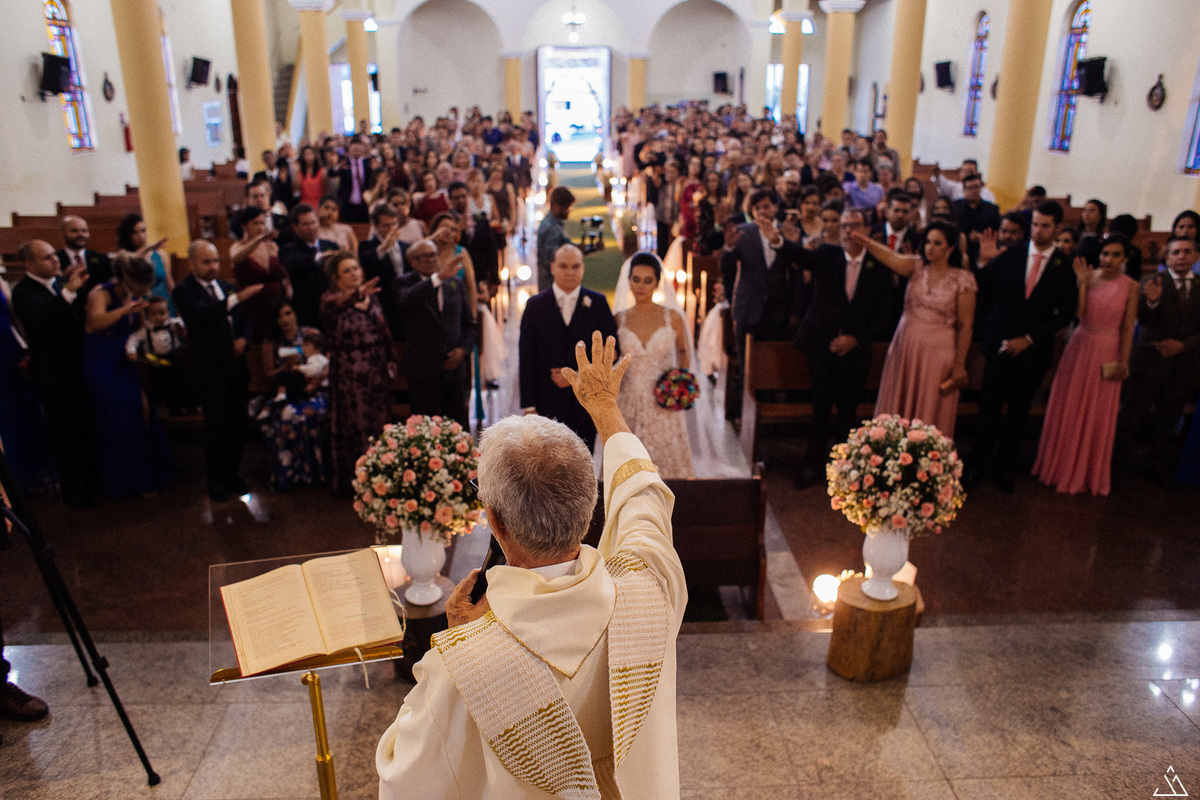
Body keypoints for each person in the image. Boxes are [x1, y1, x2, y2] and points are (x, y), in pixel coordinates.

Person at [377, 331, 685, 800]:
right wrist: (603, 406)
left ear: (494, 522)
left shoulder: (466, 663)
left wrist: (458, 638)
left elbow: (403, 779)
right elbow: (643, 495)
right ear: (589, 506)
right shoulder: (650, 584)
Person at [966, 201, 1078, 494]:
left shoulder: (1063, 267)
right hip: (999, 345)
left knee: (1018, 413)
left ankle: (1005, 467)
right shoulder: (1010, 255)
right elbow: (984, 290)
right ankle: (977, 464)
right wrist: (983, 263)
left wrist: (1028, 339)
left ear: (1057, 228)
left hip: (1032, 351)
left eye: (1045, 226)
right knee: (988, 409)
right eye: (1035, 224)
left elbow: (1065, 314)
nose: (1038, 231)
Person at [792, 208, 895, 488]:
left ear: (866, 230)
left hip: (856, 351)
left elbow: (884, 315)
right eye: (845, 225)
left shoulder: (878, 265)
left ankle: (846, 468)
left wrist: (854, 338)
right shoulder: (827, 255)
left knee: (848, 411)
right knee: (820, 408)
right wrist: (779, 240)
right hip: (822, 346)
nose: (849, 231)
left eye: (855, 225)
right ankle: (812, 464)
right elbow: (799, 256)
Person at [1033, 235, 1138, 495]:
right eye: (1105, 254)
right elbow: (1076, 314)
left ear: (1125, 258)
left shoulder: (1131, 286)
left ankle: (1086, 473)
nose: (1109, 259)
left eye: (1115, 255)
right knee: (1069, 406)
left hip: (1108, 349)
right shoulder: (1088, 277)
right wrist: (1081, 284)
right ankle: (1058, 468)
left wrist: (1123, 363)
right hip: (1080, 345)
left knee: (1098, 412)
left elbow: (1127, 328)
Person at [856, 220, 977, 438]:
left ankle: (924, 461)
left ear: (950, 248)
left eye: (937, 243)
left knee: (929, 404)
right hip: (906, 345)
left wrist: (960, 364)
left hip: (938, 351)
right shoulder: (916, 266)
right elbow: (891, 257)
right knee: (898, 401)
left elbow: (966, 325)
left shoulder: (963, 279)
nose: (930, 247)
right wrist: (865, 241)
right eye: (928, 242)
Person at [11, 240, 99, 507]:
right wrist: (69, 294)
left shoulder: (56, 286)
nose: (56, 260)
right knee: (64, 433)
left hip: (75, 368)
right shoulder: (24, 292)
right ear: (30, 264)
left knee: (82, 427)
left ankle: (90, 482)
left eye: (54, 255)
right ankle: (73, 491)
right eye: (48, 257)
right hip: (54, 375)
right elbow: (43, 323)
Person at [82, 254, 175, 498]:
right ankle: (126, 482)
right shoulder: (101, 293)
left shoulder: (133, 295)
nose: (142, 291)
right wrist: (126, 309)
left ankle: (148, 473)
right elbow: (94, 323)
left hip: (125, 359)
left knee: (142, 410)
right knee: (119, 416)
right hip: (102, 361)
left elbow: (136, 327)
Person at [174, 240, 260, 502]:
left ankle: (233, 474)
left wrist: (244, 339)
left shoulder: (225, 287)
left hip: (235, 368)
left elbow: (245, 321)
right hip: (210, 371)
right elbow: (201, 316)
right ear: (192, 264)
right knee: (216, 428)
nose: (213, 267)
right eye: (206, 262)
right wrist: (234, 300)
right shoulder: (183, 291)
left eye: (215, 261)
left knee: (237, 425)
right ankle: (215, 481)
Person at [1115, 235, 1200, 484]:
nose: (1181, 256)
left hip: (1182, 363)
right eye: (1176, 252)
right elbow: (1141, 319)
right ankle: (1117, 465)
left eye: (1187, 252)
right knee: (1133, 415)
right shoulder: (1151, 281)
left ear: (1195, 257)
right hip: (1150, 360)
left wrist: (1182, 345)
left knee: (1168, 418)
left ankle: (1156, 465)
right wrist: (1151, 303)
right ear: (1167, 257)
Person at [519, 244, 618, 451]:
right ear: (553, 267)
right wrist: (529, 407)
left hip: (585, 404)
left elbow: (612, 353)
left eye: (575, 266)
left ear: (583, 268)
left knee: (583, 459)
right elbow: (527, 358)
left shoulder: (598, 303)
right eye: (564, 266)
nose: (570, 272)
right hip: (546, 401)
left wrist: (578, 375)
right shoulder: (535, 305)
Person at [612, 251, 695, 478]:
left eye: (648, 281)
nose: (641, 286)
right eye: (636, 279)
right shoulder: (620, 319)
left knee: (668, 464)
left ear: (657, 283)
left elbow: (684, 351)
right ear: (628, 281)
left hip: (664, 398)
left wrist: (679, 382)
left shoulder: (673, 317)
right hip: (629, 397)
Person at [319, 251, 394, 491]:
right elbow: (336, 304)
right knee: (355, 422)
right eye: (346, 271)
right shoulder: (330, 300)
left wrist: (391, 358)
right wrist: (357, 293)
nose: (354, 273)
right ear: (336, 278)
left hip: (376, 369)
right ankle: (357, 480)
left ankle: (382, 478)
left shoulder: (371, 297)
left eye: (355, 268)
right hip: (349, 374)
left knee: (379, 421)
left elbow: (383, 329)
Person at [394, 239, 476, 426]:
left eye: (434, 254)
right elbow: (409, 299)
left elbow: (469, 325)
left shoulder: (455, 283)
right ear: (413, 261)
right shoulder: (403, 283)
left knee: (456, 425)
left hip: (453, 368)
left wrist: (462, 351)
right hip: (423, 369)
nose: (431, 259)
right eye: (425, 256)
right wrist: (437, 279)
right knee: (424, 428)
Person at [259, 301, 327, 491]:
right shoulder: (272, 341)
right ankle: (289, 474)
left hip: (313, 388)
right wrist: (286, 366)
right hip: (286, 391)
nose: (285, 319)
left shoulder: (310, 333)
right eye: (280, 316)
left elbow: (327, 362)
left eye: (288, 313)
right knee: (286, 416)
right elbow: (268, 376)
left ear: (295, 314)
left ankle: (314, 473)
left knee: (310, 414)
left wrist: (316, 381)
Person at [0, 266, 56, 493]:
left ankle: (34, 475)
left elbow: (14, 317)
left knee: (25, 412)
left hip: (8, 353)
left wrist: (27, 347)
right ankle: (14, 482)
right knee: (5, 421)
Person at [231, 206, 291, 341]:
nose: (260, 227)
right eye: (255, 223)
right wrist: (258, 239)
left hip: (275, 303)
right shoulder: (238, 246)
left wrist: (287, 288)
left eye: (262, 223)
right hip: (253, 305)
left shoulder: (272, 246)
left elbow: (280, 273)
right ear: (244, 226)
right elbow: (237, 258)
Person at [124, 295, 191, 415]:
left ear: (168, 312)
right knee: (162, 385)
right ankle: (172, 409)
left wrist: (182, 328)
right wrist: (131, 352)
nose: (158, 317)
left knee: (181, 382)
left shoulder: (172, 324)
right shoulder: (146, 329)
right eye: (153, 314)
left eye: (162, 313)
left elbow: (184, 324)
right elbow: (133, 339)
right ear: (147, 315)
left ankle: (188, 406)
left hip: (173, 358)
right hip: (155, 361)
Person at [280, 204, 339, 330]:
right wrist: (319, 258)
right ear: (295, 227)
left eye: (313, 222)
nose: (311, 227)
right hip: (306, 311)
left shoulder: (331, 246)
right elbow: (291, 263)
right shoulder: (288, 249)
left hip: (333, 308)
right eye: (306, 224)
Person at [358, 203, 410, 340]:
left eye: (394, 224)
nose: (391, 229)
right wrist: (384, 247)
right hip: (383, 304)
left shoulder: (406, 247)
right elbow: (367, 261)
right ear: (375, 226)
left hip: (405, 304)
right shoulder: (366, 247)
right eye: (386, 225)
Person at [116, 213, 174, 316]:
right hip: (141, 308)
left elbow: (170, 285)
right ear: (128, 235)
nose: (141, 236)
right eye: (135, 232)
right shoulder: (125, 258)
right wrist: (147, 249)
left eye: (143, 231)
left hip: (164, 305)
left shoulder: (160, 255)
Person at [57, 215, 113, 289]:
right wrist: (63, 276)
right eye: (74, 231)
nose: (81, 234)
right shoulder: (55, 259)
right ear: (62, 234)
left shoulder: (102, 259)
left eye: (84, 231)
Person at [536, 186, 575, 291]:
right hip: (550, 283)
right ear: (557, 206)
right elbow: (554, 255)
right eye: (567, 208)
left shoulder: (554, 224)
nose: (568, 211)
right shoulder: (551, 227)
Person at [336, 137, 375, 223]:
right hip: (348, 204)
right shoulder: (344, 163)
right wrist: (338, 168)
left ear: (362, 149)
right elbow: (332, 173)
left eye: (358, 149)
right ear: (349, 149)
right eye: (354, 149)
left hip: (365, 202)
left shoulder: (368, 163)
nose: (356, 151)